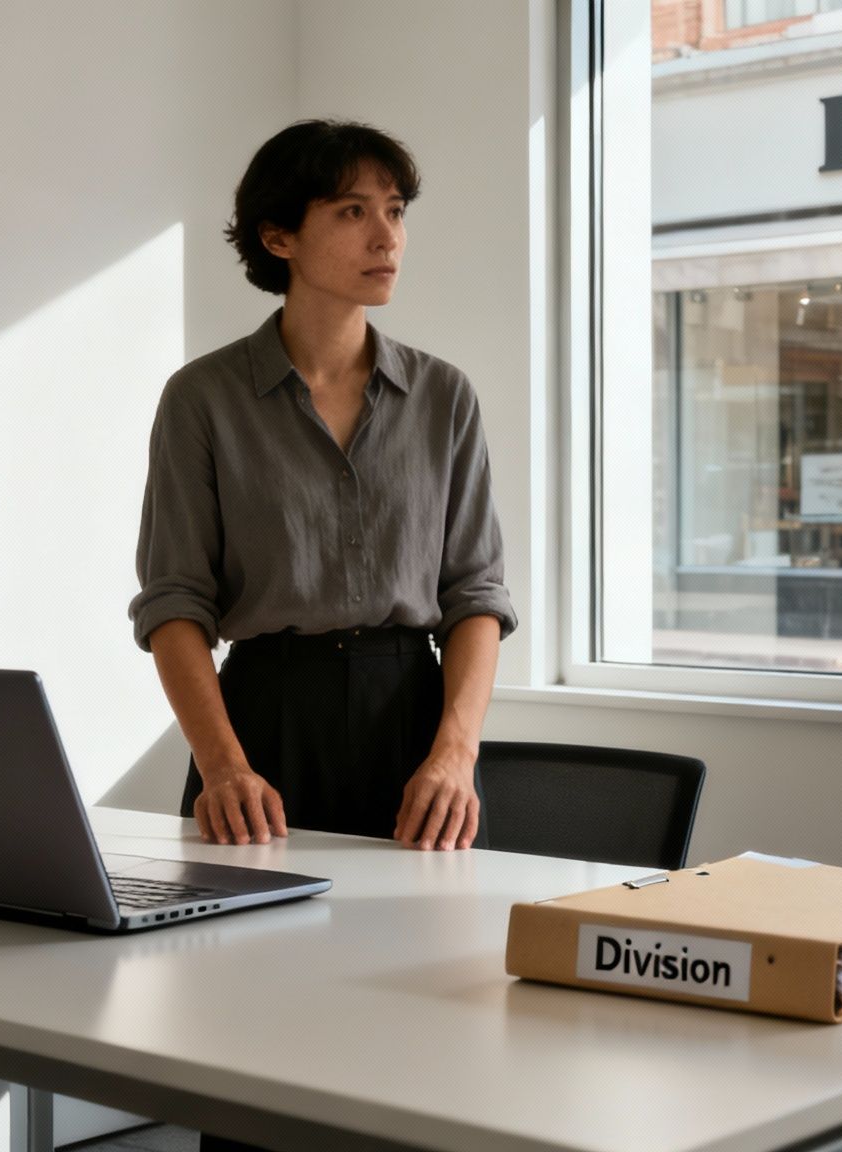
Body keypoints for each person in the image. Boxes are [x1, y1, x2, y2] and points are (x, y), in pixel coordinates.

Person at [129, 119, 517, 870]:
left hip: (415, 732)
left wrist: (455, 754)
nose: (387, 237)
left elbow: (476, 594)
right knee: (241, 938)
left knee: (427, 936)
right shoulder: (202, 399)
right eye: (352, 211)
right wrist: (221, 765)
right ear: (279, 238)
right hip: (259, 733)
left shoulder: (443, 396)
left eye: (395, 210)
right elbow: (174, 601)